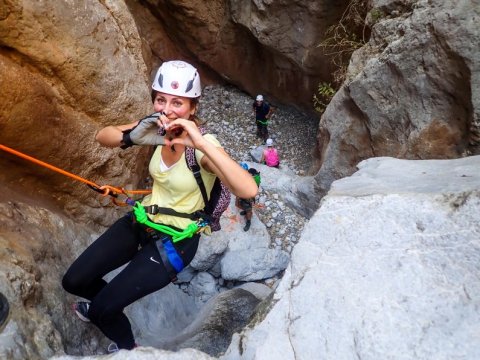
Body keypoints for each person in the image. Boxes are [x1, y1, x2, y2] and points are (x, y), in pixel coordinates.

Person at [62, 60, 258, 351]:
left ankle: (127, 346)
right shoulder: (156, 128)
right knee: (74, 281)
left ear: (192, 108)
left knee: (104, 310)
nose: (166, 109)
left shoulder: (203, 148)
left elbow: (248, 188)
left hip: (174, 242)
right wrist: (132, 135)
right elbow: (102, 137)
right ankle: (106, 307)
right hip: (142, 220)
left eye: (177, 102)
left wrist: (200, 144)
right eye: (161, 99)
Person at [235, 164, 260, 232]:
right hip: (246, 196)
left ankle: (248, 221)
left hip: (248, 198)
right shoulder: (254, 176)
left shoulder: (252, 181)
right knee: (245, 206)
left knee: (248, 209)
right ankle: (246, 211)